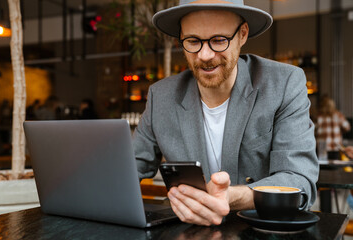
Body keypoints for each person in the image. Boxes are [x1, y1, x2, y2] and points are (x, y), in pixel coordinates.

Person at [133, 0, 319, 226]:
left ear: (242, 34)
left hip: (259, 228)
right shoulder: (161, 96)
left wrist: (232, 196)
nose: (204, 55)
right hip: (187, 229)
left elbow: (298, 180)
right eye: (193, 41)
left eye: (219, 40)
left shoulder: (284, 84)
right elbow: (127, 169)